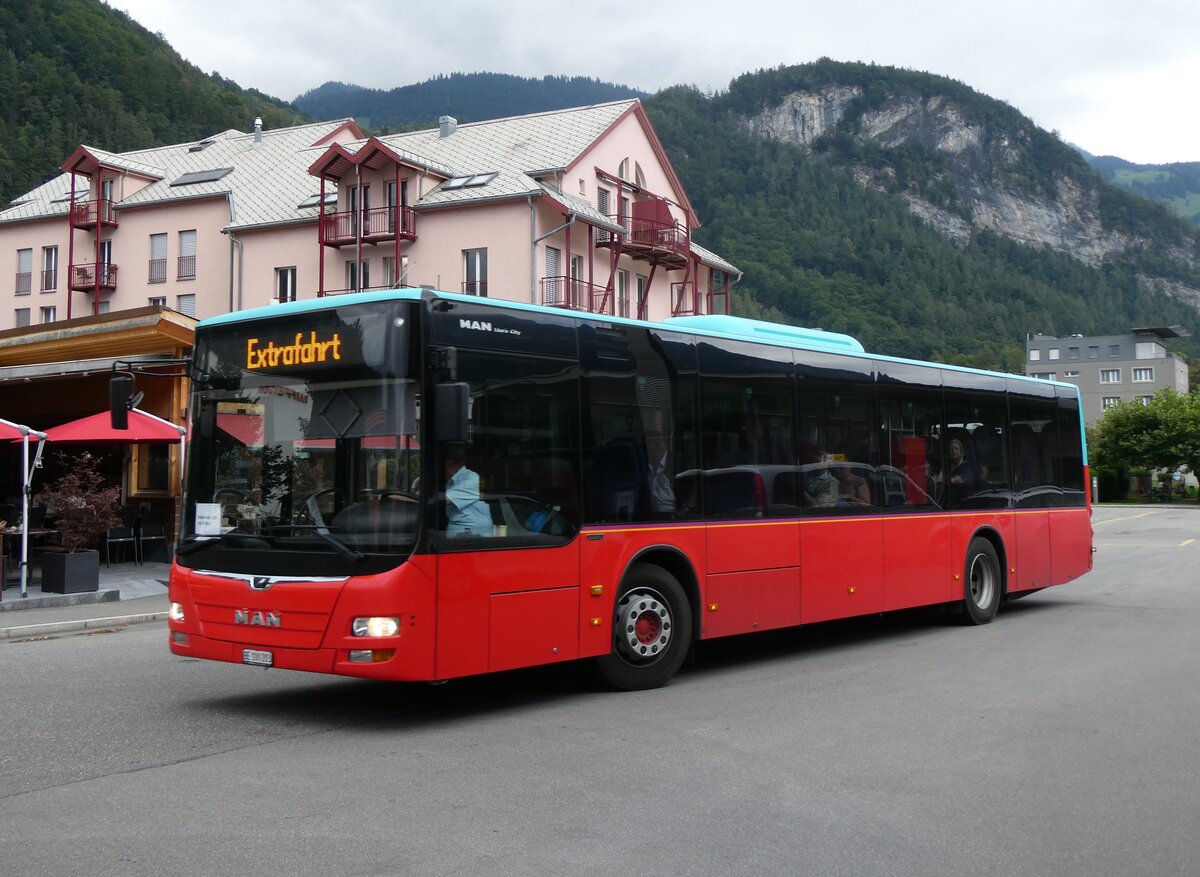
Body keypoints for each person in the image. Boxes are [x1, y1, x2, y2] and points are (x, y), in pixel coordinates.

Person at [443, 446, 493, 535]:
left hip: (473, 538)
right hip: (459, 536)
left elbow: (443, 501)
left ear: (448, 462)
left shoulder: (471, 478)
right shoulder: (449, 482)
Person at [645, 430, 675, 513]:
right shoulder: (641, 465)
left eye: (645, 448)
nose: (643, 452)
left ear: (657, 446)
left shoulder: (677, 463)